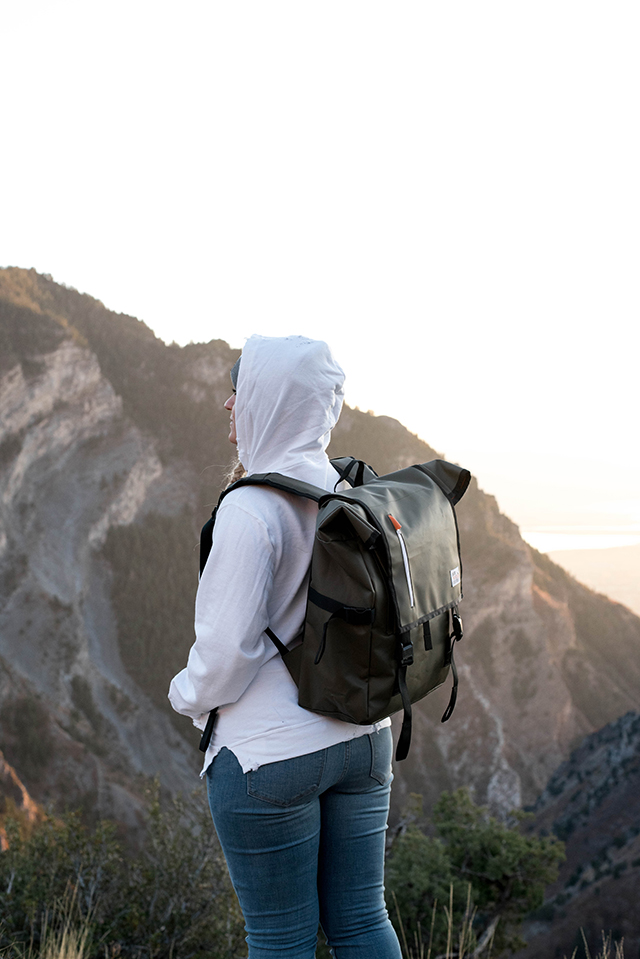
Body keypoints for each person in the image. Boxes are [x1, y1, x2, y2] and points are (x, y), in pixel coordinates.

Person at [169, 334, 402, 959]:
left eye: (239, 392)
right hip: (362, 736)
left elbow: (223, 658)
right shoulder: (349, 490)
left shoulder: (251, 510)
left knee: (281, 940)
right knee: (361, 922)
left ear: (268, 402)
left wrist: (184, 697)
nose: (226, 405)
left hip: (269, 757)